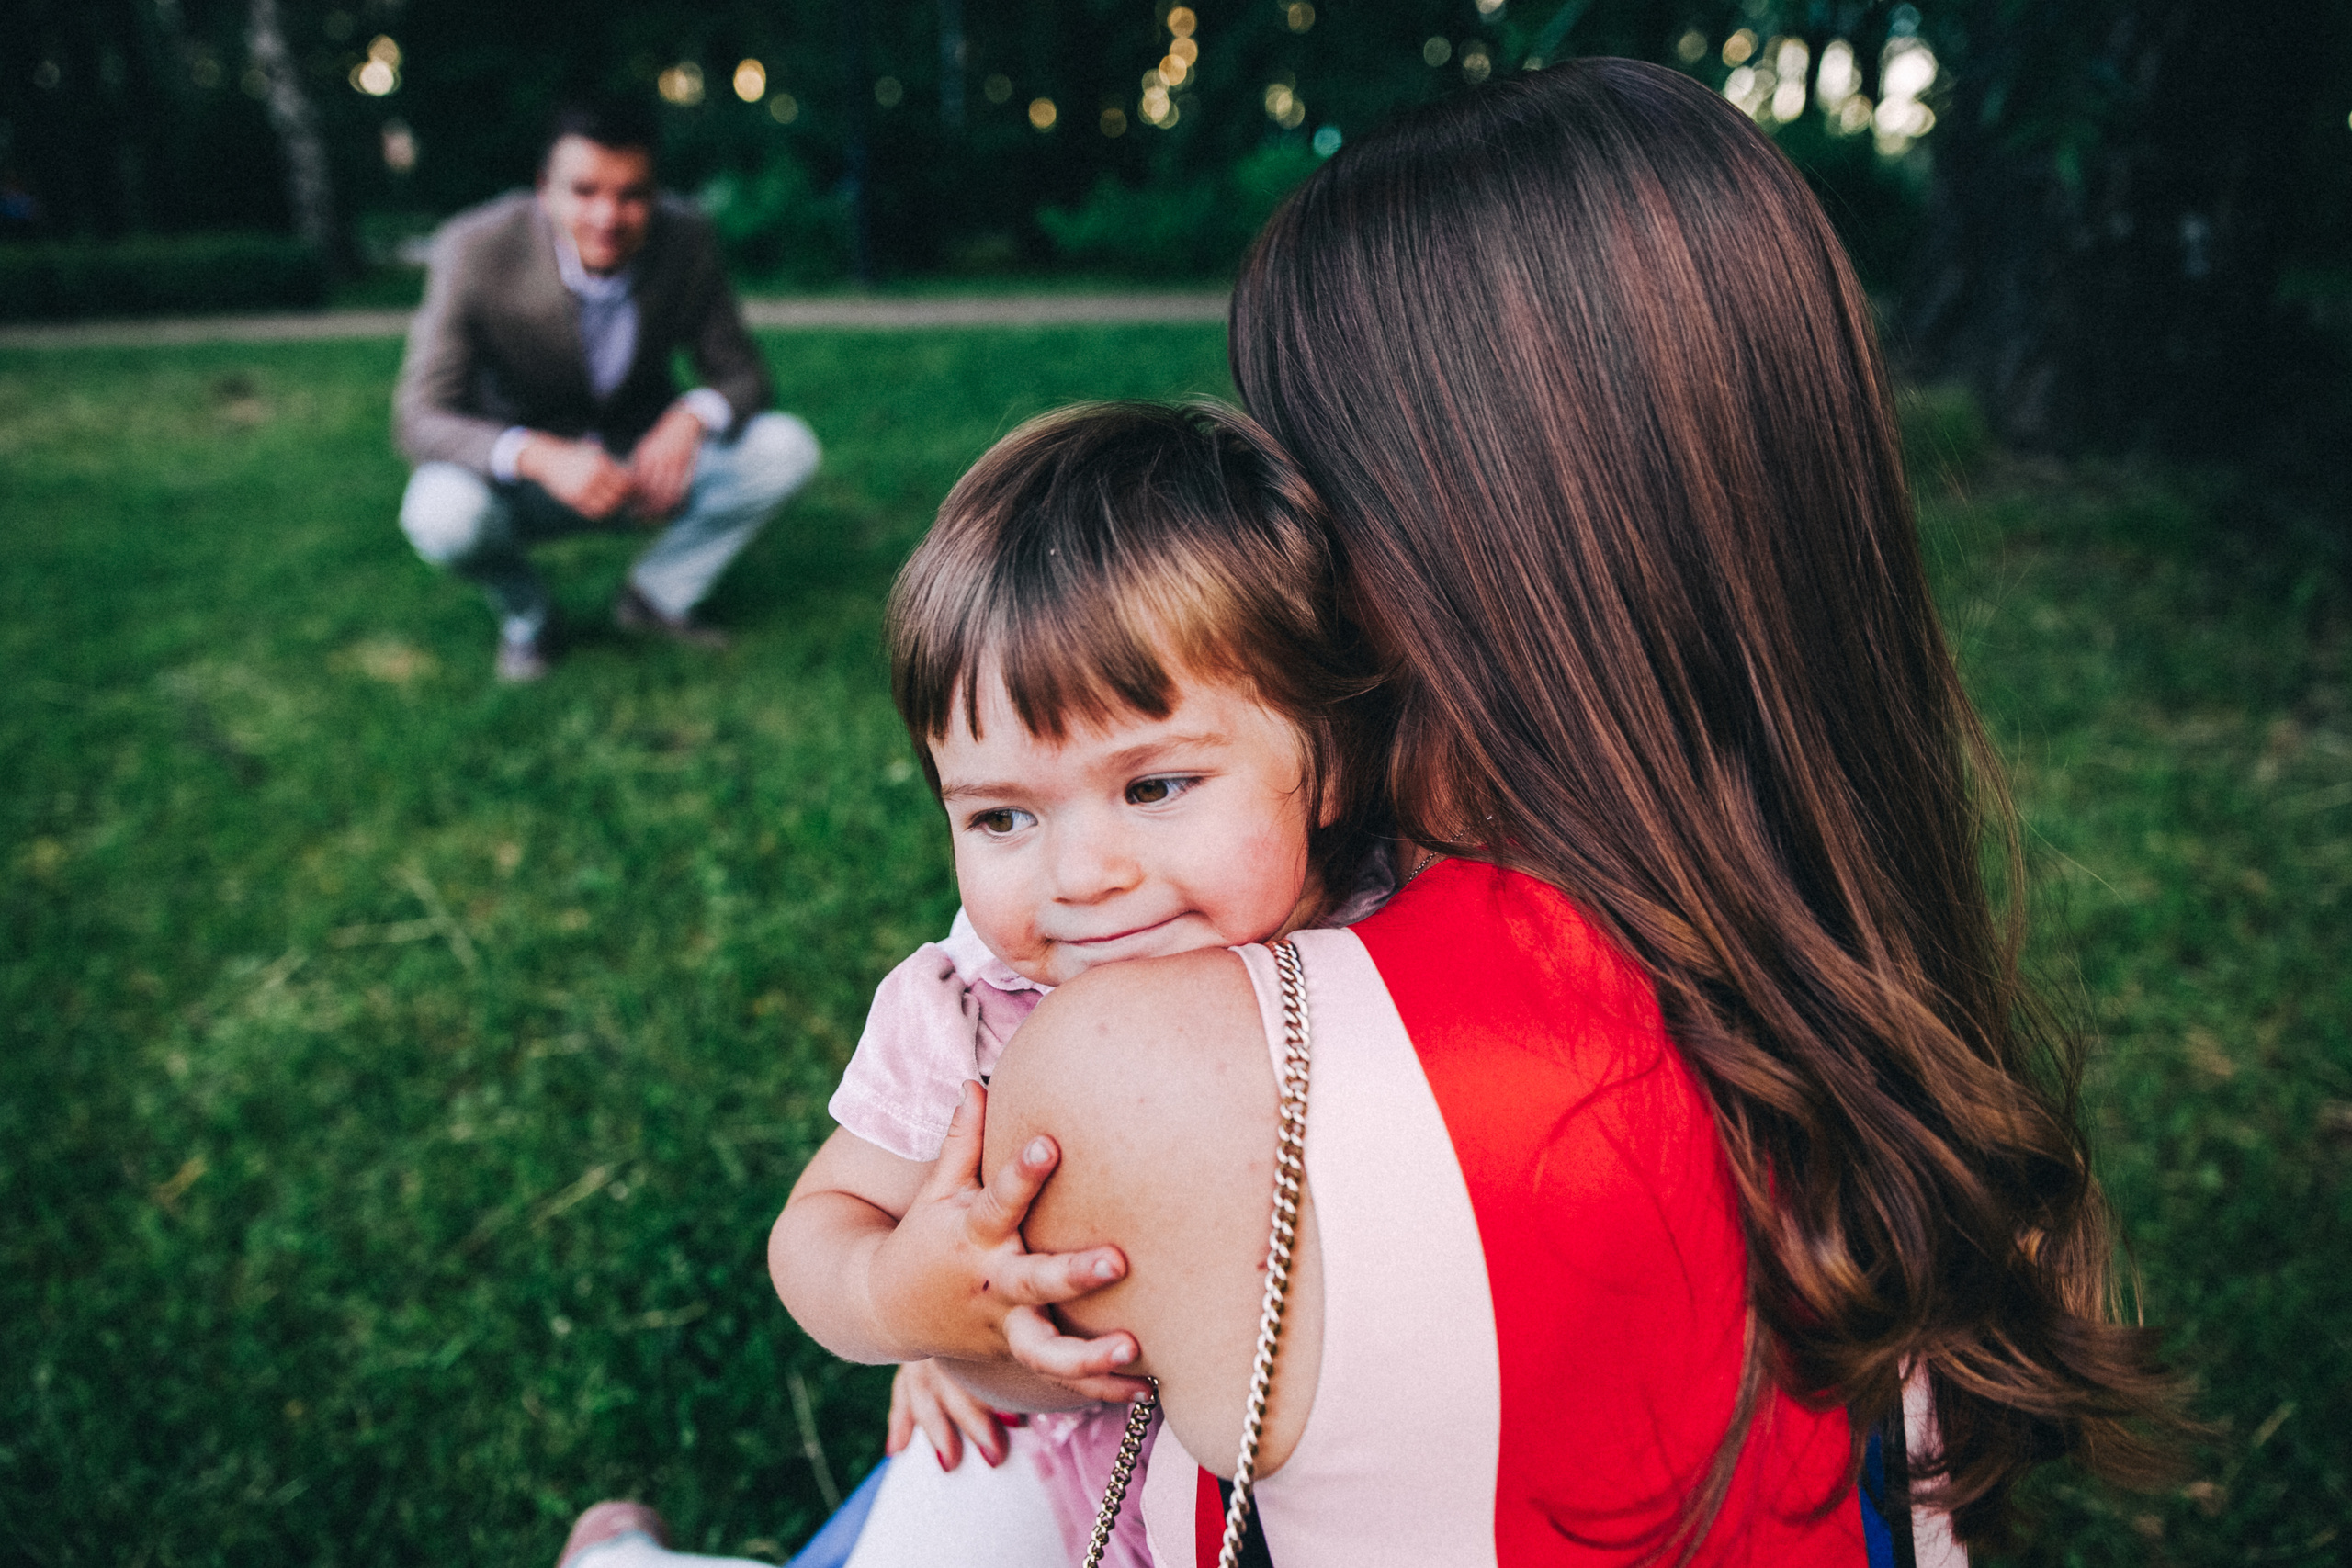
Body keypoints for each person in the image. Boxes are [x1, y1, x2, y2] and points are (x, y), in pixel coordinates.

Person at [884, 58, 2182, 1565]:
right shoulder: (1873, 1003)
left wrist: (914, 1302)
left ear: (1424, 526)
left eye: (1287, 466)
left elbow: (988, 1368)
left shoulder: (1157, 1059)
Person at [768, 401, 1396, 1567]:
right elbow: (817, 1226)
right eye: (1002, 815)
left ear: (1330, 762)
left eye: (1154, 787)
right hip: (1054, 1473)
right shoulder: (977, 1007)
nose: (1083, 877)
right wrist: (906, 1305)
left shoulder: (1395, 935)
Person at [394, 97, 820, 682]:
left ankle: (655, 597)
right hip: (520, 483)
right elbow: (418, 416)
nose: (608, 217)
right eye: (585, 191)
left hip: (642, 472)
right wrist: (535, 455)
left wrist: (690, 418)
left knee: (787, 447)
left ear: (656, 193)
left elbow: (746, 376)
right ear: (546, 189)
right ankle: (530, 619)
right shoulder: (473, 248)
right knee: (439, 513)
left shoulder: (688, 239)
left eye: (632, 194)